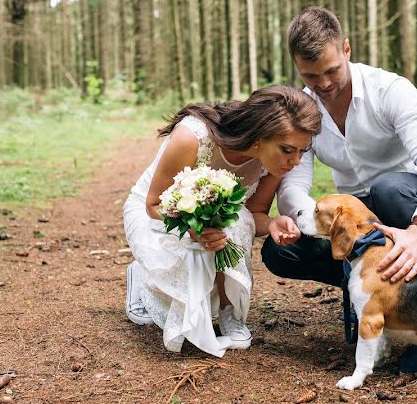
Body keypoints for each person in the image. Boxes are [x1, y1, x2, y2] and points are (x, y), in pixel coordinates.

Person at [261, 7, 417, 374]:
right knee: (279, 252)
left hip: (409, 206)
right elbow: (293, 186)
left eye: (331, 71)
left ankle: (415, 309)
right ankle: (364, 288)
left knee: (387, 189)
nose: (323, 84)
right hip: (354, 220)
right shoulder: (304, 112)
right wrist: (310, 219)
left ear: (347, 49)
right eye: (310, 75)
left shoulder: (391, 91)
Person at [123, 85, 321, 357]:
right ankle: (142, 274)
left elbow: (254, 214)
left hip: (216, 225)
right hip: (157, 215)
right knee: (176, 296)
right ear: (259, 137)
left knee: (236, 219)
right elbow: (153, 203)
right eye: (288, 149)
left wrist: (273, 223)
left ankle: (229, 312)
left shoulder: (275, 164)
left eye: (302, 151)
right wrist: (195, 230)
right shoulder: (193, 137)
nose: (296, 161)